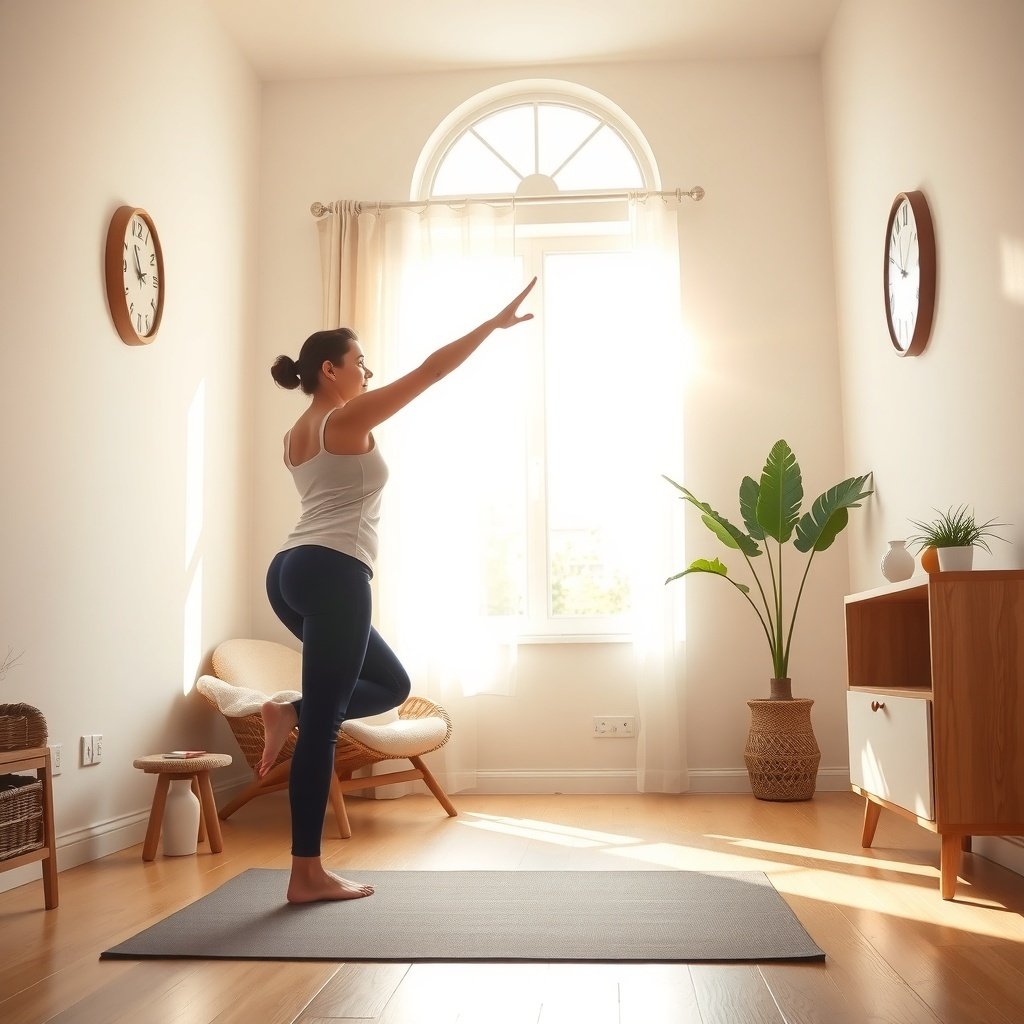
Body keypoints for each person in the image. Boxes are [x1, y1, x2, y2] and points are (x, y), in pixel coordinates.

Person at [262, 277, 537, 904]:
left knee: (391, 684)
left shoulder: (296, 433)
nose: (367, 372)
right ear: (330, 370)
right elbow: (431, 371)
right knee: (327, 725)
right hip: (334, 572)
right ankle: (306, 874)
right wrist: (491, 324)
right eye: (360, 361)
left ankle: (291, 711)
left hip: (289, 570)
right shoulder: (344, 417)